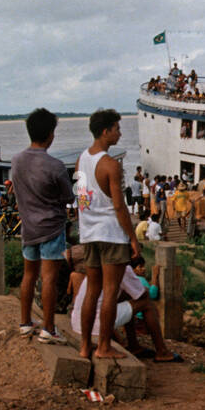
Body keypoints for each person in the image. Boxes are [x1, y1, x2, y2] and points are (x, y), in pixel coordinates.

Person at [75, 108, 139, 360]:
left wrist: (89, 219)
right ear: (105, 131)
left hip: (89, 233)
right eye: (117, 129)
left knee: (93, 290)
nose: (120, 133)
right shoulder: (111, 165)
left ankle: (83, 346)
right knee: (110, 292)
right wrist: (132, 237)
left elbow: (81, 200)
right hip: (112, 234)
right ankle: (103, 346)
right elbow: (119, 206)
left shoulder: (81, 160)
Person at [11, 108, 76, 343]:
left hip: (28, 227)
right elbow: (69, 197)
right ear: (50, 134)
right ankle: (49, 329)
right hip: (52, 228)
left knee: (29, 275)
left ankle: (25, 323)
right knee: (49, 278)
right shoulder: (55, 165)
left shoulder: (16, 160)